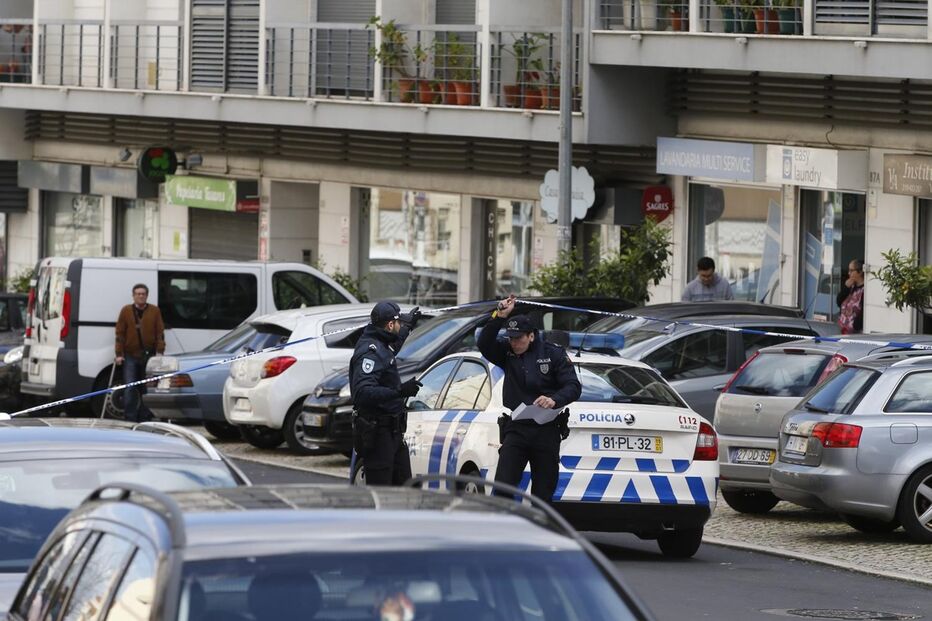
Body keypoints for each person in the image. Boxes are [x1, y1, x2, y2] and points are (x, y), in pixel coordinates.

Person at [478, 294, 581, 503]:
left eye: (519, 338)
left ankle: (539, 532)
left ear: (531, 336)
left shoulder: (553, 354)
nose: (514, 343)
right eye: (511, 338)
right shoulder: (507, 353)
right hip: (517, 429)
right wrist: (499, 315)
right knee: (503, 487)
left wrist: (555, 399)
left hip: (547, 429)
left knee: (543, 492)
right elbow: (484, 342)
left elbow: (573, 386)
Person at [350, 301, 423, 486]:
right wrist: (399, 391)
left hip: (393, 433)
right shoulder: (370, 351)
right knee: (381, 493)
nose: (400, 326)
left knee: (404, 490)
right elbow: (363, 392)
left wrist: (409, 326)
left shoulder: (382, 342)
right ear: (390, 325)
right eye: (399, 323)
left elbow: (393, 347)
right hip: (378, 434)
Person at [114, 283, 165, 422]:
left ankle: (145, 416)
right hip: (130, 355)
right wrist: (119, 354)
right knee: (130, 387)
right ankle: (130, 417)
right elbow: (120, 333)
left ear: (147, 295)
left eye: (143, 294)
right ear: (133, 295)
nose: (141, 296)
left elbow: (159, 332)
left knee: (147, 388)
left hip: (149, 355)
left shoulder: (154, 311)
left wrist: (160, 352)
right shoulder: (126, 311)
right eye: (138, 294)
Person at [837, 259, 865, 334]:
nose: (849, 273)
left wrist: (854, 326)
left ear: (860, 272)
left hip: (854, 332)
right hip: (842, 329)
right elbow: (839, 302)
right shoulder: (851, 286)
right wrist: (846, 288)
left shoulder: (864, 290)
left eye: (851, 271)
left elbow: (863, 312)